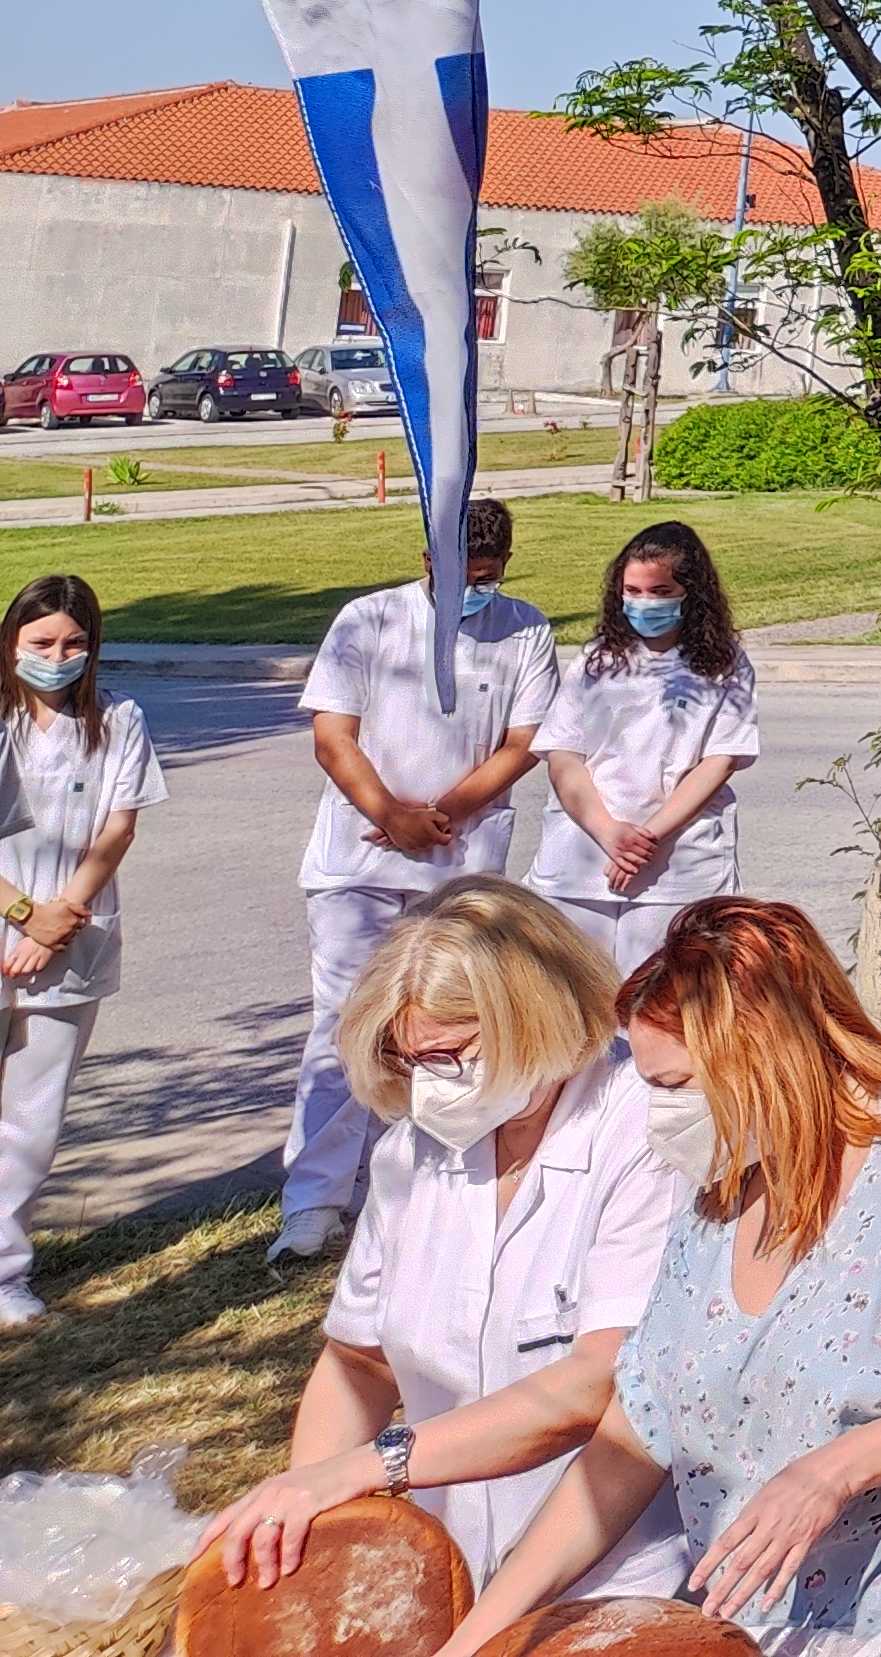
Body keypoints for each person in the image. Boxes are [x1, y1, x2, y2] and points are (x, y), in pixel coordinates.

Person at [423, 897, 881, 1657]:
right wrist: (478, 1639)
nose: (658, 1115)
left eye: (677, 1086)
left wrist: (833, 1473)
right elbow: (637, 1432)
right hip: (792, 1633)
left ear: (767, 1052)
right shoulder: (721, 1196)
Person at [196, 882, 686, 1605]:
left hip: (625, 1586)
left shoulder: (643, 1132)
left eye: (451, 1056)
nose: (430, 1089)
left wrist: (371, 1467)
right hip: (455, 1576)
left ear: (533, 1016)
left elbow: (599, 1384)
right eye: (408, 1063)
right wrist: (305, 1521)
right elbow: (358, 1363)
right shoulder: (411, 1157)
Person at [285, 499, 559, 1261]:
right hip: (360, 861)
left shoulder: (526, 629)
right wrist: (389, 813)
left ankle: (412, 1187)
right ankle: (313, 1200)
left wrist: (441, 812)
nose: (474, 588)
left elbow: (523, 743)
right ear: (427, 558)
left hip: (460, 864)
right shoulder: (369, 620)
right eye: (460, 574)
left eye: (488, 576)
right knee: (346, 1025)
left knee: (448, 1030)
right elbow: (333, 736)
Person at [0, 575, 158, 1328]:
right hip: (22, 922)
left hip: (74, 937)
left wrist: (62, 919)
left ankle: (5, 1272)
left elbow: (118, 828)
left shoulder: (118, 719)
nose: (57, 658)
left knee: (32, 1114)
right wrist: (25, 915)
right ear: (11, 643)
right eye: (40, 644)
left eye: (72, 644)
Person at [530, 523, 758, 975]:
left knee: (660, 1005)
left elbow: (720, 760)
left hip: (678, 866)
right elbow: (563, 756)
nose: (643, 602)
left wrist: (648, 837)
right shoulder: (596, 659)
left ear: (691, 593)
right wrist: (608, 832)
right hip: (582, 861)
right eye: (631, 591)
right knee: (576, 1008)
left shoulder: (724, 665)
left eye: (659, 591)